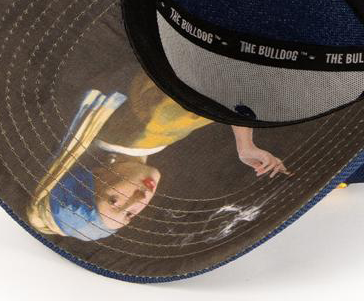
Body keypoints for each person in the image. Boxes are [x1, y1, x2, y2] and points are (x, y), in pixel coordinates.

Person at [27, 71, 289, 240]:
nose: (139, 199)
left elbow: (239, 78)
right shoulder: (121, 131)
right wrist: (244, 144)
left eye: (114, 200)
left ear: (95, 174)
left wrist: (245, 140)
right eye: (129, 215)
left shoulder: (154, 124)